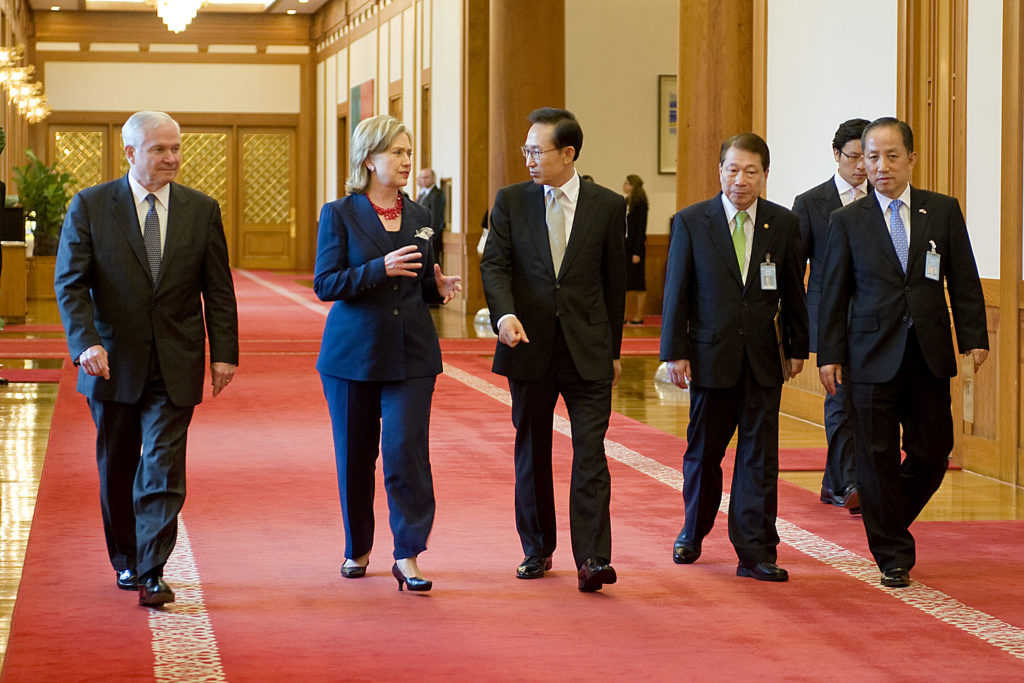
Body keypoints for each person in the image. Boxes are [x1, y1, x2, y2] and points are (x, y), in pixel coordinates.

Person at [54, 110, 239, 606]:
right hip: (111, 361)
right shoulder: (91, 206)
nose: (172, 158)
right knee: (117, 465)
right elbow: (70, 283)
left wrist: (224, 353)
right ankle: (127, 560)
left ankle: (153, 568)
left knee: (162, 461)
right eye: (160, 149)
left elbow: (217, 289)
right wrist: (85, 342)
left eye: (176, 148)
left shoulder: (201, 210)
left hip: (177, 357)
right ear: (131, 152)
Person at [817, 117, 989, 588]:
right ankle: (891, 553)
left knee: (934, 451)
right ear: (862, 162)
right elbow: (832, 292)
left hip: (927, 353)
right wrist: (828, 354)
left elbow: (965, 278)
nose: (881, 166)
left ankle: (888, 520)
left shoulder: (942, 211)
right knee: (874, 458)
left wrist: (974, 334)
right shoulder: (846, 220)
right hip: (869, 355)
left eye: (892, 156)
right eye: (871, 157)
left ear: (912, 158)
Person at [480, 107, 626, 592]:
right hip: (529, 344)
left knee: (591, 453)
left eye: (536, 150)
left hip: (588, 351)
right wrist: (503, 315)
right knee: (532, 452)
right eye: (525, 150)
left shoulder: (607, 206)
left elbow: (614, 284)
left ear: (568, 153)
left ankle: (593, 558)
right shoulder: (511, 201)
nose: (528, 159)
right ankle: (537, 548)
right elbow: (495, 266)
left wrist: (614, 351)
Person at [315, 115, 461, 593]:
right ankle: (357, 547)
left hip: (413, 354)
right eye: (396, 152)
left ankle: (408, 555)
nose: (406, 159)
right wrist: (379, 268)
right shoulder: (339, 213)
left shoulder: (419, 216)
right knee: (356, 456)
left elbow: (418, 283)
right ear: (368, 159)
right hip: (353, 355)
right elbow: (325, 284)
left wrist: (438, 289)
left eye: (408, 151)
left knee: (406, 453)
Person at [661, 133, 808, 582]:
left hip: (763, 359)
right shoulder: (692, 221)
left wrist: (797, 347)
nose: (739, 180)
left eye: (750, 171)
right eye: (732, 169)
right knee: (704, 453)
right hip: (709, 357)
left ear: (765, 175)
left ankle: (755, 549)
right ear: (719, 170)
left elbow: (792, 293)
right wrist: (675, 352)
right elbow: (677, 292)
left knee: (759, 457)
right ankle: (693, 528)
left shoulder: (782, 225)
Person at [792, 118, 869, 515]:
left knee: (863, 399)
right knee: (840, 399)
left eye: (866, 157)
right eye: (853, 156)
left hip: (874, 320)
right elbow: (794, 269)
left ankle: (832, 481)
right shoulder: (811, 203)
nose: (861, 166)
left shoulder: (882, 199)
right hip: (828, 316)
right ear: (836, 155)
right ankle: (850, 482)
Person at [623, 174, 649, 325]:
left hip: (635, 248)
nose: (624, 185)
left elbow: (641, 229)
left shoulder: (640, 203)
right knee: (624, 283)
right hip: (626, 246)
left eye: (627, 183)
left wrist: (637, 252)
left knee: (639, 283)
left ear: (634, 186)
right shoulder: (626, 202)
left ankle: (638, 316)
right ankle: (623, 315)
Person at [415, 168, 446, 267]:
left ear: (433, 178)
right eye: (422, 177)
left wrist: (428, 238)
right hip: (421, 236)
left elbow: (436, 219)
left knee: (433, 266)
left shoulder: (436, 194)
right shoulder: (423, 193)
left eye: (426, 177)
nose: (424, 180)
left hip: (430, 238)